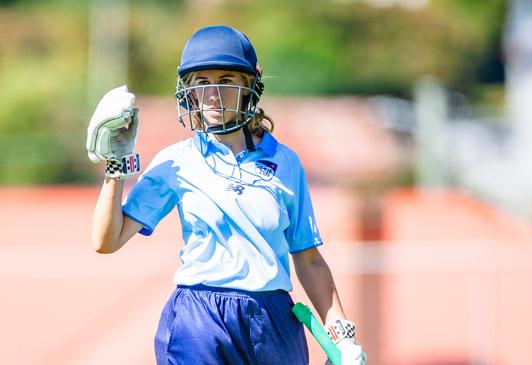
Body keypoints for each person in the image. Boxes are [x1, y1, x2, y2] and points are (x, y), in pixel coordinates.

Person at [86, 25, 367, 365]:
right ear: (188, 91)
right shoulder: (176, 161)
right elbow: (107, 241)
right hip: (199, 321)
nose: (214, 96)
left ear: (250, 85)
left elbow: (308, 258)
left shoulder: (287, 162)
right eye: (203, 84)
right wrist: (115, 166)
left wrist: (342, 334)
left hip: (273, 318)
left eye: (227, 81)